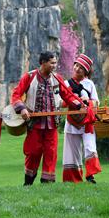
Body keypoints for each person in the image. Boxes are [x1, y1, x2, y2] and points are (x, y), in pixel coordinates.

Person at [11, 51, 85, 185]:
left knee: (51, 154)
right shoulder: (29, 77)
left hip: (52, 124)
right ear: (43, 63)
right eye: (52, 63)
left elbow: (67, 95)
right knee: (33, 152)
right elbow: (16, 95)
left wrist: (79, 105)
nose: (54, 66)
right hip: (34, 124)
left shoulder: (57, 78)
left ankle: (47, 184)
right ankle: (28, 183)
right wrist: (22, 109)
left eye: (55, 62)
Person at [62, 53, 102, 183]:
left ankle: (90, 175)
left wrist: (87, 100)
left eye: (81, 67)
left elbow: (96, 102)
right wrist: (71, 100)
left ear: (86, 71)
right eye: (76, 65)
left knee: (90, 147)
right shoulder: (66, 84)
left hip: (87, 121)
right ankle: (73, 179)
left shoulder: (89, 84)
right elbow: (61, 103)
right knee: (72, 151)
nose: (77, 69)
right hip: (72, 120)